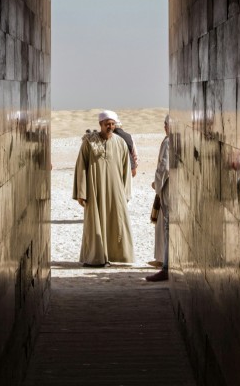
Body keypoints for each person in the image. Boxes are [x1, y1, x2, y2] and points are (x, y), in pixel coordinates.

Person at [73, 110, 134, 267]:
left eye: (112, 124)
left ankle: (115, 256)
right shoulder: (89, 142)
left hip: (115, 191)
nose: (110, 127)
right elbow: (81, 167)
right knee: (95, 223)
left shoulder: (120, 143)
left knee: (117, 223)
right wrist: (81, 192)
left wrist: (125, 192)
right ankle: (95, 258)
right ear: (100, 124)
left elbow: (126, 169)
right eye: (107, 124)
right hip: (95, 191)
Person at [146, 114, 170, 282]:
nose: (164, 127)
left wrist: (158, 186)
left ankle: (165, 265)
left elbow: (164, 166)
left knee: (166, 225)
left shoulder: (169, 141)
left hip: (169, 189)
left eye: (165, 124)